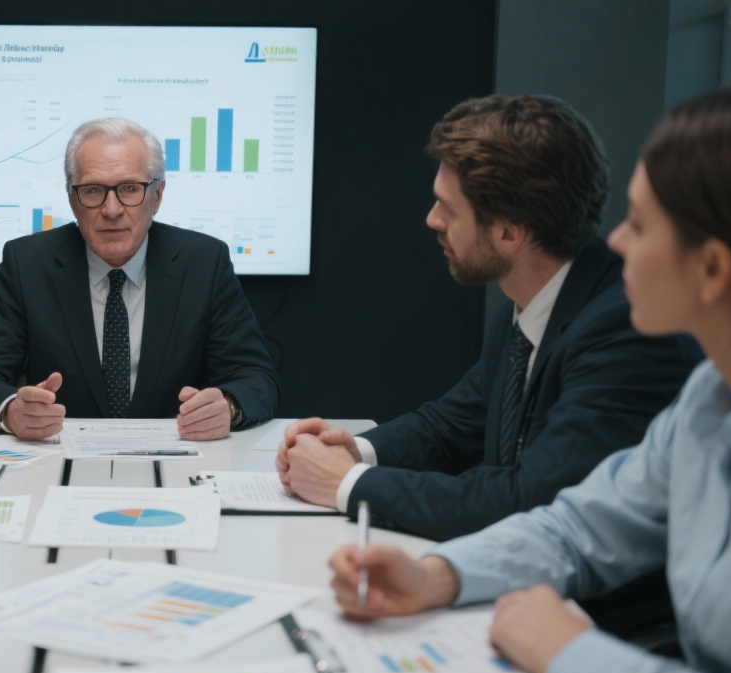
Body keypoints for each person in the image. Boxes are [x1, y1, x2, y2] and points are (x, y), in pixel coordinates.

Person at [328, 84, 731, 673]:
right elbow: (578, 524)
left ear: (712, 269)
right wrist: (441, 577)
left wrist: (573, 653)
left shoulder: (625, 333)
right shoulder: (709, 401)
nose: (619, 241)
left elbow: (534, 497)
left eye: (641, 223)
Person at [276, 95, 697, 541]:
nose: (431, 219)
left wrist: (345, 483)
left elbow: (529, 501)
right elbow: (451, 425)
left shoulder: (625, 333)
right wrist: (353, 451)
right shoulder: (531, 300)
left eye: (448, 208)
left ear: (509, 232)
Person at [0, 117, 279, 442]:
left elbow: (256, 378)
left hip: (174, 463)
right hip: (57, 464)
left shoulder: (204, 263)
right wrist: (10, 411)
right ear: (72, 199)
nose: (111, 209)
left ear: (158, 196)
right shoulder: (28, 264)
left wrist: (228, 406)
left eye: (129, 189)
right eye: (93, 190)